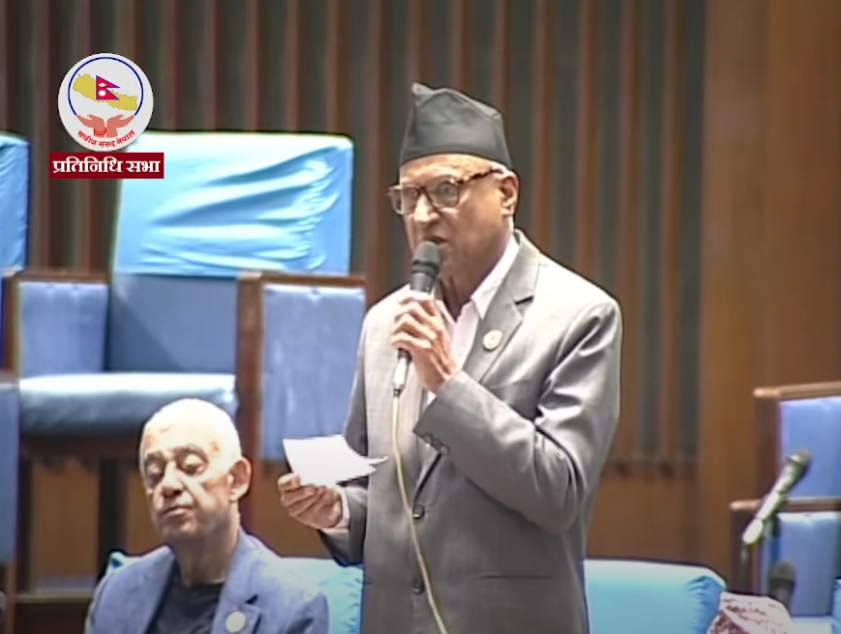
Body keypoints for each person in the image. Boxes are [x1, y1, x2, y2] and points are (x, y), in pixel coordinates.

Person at [278, 82, 623, 634]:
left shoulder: (578, 316)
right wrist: (337, 510)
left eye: (445, 190)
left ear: (506, 193)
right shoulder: (385, 323)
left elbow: (559, 491)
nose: (422, 215)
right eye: (407, 197)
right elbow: (375, 489)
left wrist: (448, 383)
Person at [84, 398, 330, 634]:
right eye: (155, 472)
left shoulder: (292, 606)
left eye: (191, 466)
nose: (169, 485)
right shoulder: (116, 593)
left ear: (237, 480)